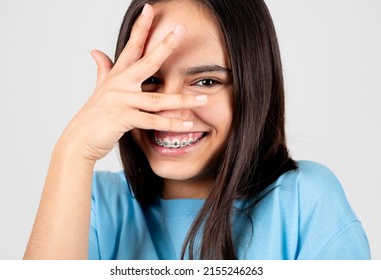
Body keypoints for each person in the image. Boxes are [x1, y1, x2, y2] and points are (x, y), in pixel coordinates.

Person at [24, 0, 370, 260]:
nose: (170, 105)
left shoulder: (304, 202)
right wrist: (72, 152)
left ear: (254, 87)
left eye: (206, 80)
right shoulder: (95, 203)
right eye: (150, 79)